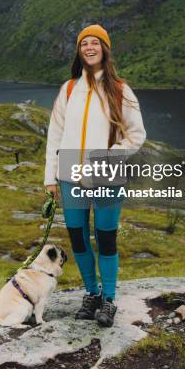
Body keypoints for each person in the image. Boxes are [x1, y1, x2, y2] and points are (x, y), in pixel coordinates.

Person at [44, 24, 146, 326]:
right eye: (84, 44)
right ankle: (92, 294)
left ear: (105, 49)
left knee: (105, 238)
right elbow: (55, 135)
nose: (89, 48)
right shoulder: (69, 89)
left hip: (106, 172)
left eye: (95, 43)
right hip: (69, 173)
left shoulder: (120, 89)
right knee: (78, 238)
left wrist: (108, 157)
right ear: (79, 51)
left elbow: (136, 135)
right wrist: (50, 177)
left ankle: (109, 299)